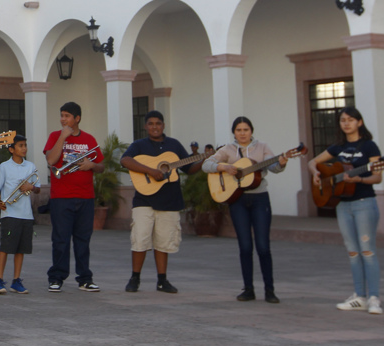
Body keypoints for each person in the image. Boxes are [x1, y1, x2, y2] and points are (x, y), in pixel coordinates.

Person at [307, 106, 384, 315]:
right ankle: (359, 296)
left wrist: (359, 178)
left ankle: (374, 298)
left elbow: (377, 176)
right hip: (343, 204)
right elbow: (312, 162)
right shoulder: (338, 147)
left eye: (350, 119)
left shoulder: (369, 146)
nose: (346, 123)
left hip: (364, 203)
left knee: (367, 251)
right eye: (342, 120)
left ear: (359, 122)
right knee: (352, 252)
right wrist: (315, 173)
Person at [202, 116, 286, 303]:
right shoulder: (227, 149)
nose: (242, 133)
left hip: (259, 199)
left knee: (263, 246)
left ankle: (270, 290)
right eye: (239, 130)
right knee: (245, 246)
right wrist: (223, 166)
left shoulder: (262, 147)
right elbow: (206, 165)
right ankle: (248, 289)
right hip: (237, 200)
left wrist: (282, 162)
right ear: (234, 132)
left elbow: (273, 167)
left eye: (245, 129)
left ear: (251, 131)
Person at [120, 110, 202, 293]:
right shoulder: (139, 145)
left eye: (158, 123)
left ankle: (162, 281)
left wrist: (204, 159)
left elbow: (189, 169)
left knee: (163, 241)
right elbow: (125, 160)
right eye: (151, 124)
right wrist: (151, 171)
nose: (154, 127)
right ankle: (135, 278)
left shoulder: (174, 145)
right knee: (140, 238)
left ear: (163, 125)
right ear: (145, 126)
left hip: (169, 200)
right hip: (144, 199)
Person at [43, 101, 104, 293]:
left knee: (83, 239)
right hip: (61, 197)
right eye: (61, 115)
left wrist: (91, 166)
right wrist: (63, 137)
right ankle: (56, 277)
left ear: (77, 118)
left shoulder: (89, 139)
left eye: (67, 116)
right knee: (60, 238)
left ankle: (85, 278)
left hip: (86, 197)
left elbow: (101, 166)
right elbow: (51, 160)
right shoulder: (55, 136)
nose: (63, 119)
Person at [0, 135, 41, 294]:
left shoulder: (30, 166)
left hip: (26, 215)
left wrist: (30, 186)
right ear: (11, 149)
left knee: (20, 249)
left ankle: (16, 280)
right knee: (5, 247)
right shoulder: (4, 167)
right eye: (20, 145)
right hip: (9, 213)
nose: (24, 148)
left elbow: (37, 189)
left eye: (25, 145)